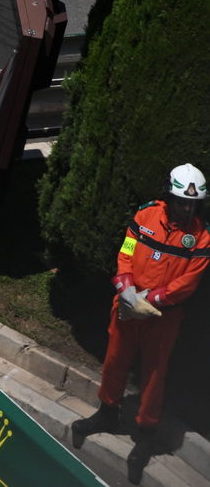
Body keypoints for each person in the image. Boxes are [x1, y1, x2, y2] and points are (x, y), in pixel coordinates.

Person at [70, 163, 210, 484]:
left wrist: (153, 299)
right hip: (128, 304)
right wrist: (125, 284)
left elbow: (189, 282)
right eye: (181, 201)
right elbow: (127, 250)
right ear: (169, 197)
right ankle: (107, 412)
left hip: (163, 316)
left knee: (154, 373)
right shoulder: (145, 216)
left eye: (193, 204)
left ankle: (146, 431)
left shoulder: (201, 238)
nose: (186, 208)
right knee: (115, 360)